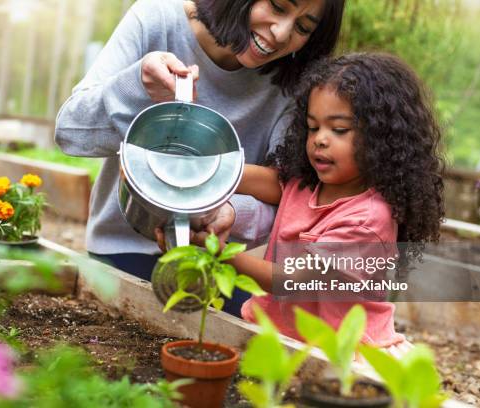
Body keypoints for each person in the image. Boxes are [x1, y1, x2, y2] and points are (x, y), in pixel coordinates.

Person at [55, 0, 345, 316]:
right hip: (124, 249)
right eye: (277, 6)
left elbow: (291, 198)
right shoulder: (158, 20)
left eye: (303, 27)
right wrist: (138, 85)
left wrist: (232, 211)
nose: (280, 33)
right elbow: (71, 131)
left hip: (216, 263)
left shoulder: (290, 85)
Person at [220, 53, 445, 352]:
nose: (320, 139)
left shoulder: (369, 219)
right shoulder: (309, 183)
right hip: (277, 333)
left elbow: (291, 281)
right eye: (313, 127)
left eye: (338, 129)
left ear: (380, 137)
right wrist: (213, 172)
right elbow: (270, 182)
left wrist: (217, 253)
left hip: (342, 352)